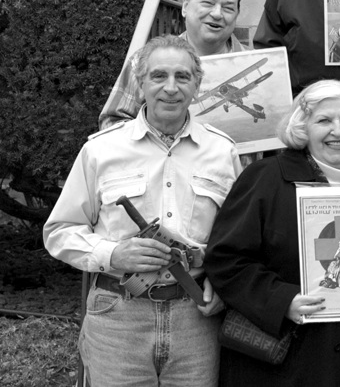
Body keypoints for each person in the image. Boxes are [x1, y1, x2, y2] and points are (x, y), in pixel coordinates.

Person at [44, 35, 242, 386]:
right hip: (118, 316)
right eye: (158, 76)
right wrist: (114, 253)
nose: (170, 88)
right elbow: (59, 231)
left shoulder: (222, 152)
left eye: (182, 77)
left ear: (197, 85)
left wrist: (222, 287)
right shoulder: (101, 151)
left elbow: (238, 240)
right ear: (140, 83)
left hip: (195, 319)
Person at [204, 80, 340, 386]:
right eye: (324, 121)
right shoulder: (265, 179)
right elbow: (226, 259)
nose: (337, 131)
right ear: (302, 127)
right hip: (296, 357)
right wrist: (282, 300)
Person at [99, 0, 246, 129]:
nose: (217, 14)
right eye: (208, 3)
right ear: (185, 7)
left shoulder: (265, 63)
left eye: (228, 8)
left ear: (236, 16)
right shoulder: (143, 61)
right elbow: (112, 122)